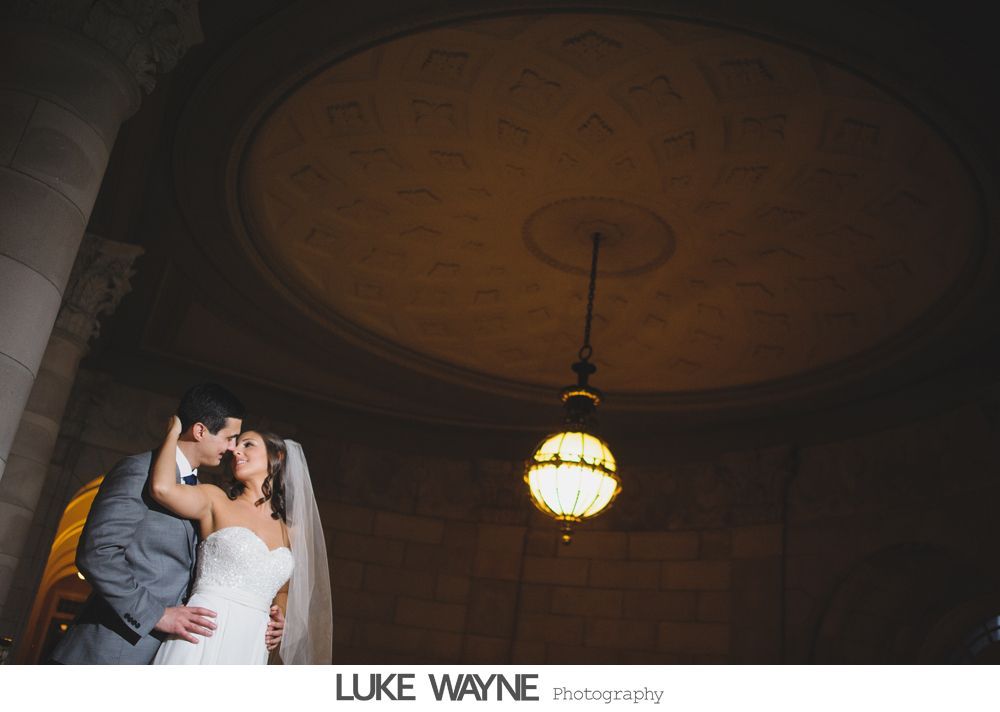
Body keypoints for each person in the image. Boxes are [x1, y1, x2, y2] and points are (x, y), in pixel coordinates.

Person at [50, 383, 285, 664]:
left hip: (180, 650)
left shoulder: (202, 492)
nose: (233, 449)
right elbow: (97, 554)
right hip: (112, 650)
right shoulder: (139, 471)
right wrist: (157, 614)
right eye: (230, 438)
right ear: (200, 431)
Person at [149, 417, 332, 664]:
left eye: (248, 444)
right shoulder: (215, 501)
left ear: (276, 456)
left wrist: (281, 614)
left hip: (252, 640)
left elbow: (283, 589)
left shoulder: (292, 532)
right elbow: (162, 489)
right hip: (204, 628)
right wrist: (173, 433)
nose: (235, 450)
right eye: (235, 444)